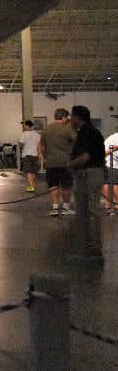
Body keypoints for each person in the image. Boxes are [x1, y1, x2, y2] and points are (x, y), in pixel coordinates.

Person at [66, 105, 105, 264]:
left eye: (72, 117)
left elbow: (85, 156)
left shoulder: (87, 132)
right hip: (87, 174)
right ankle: (87, 245)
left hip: (89, 174)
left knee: (90, 210)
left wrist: (70, 164)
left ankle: (94, 246)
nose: (70, 120)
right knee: (84, 210)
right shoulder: (86, 132)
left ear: (77, 117)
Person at [41, 108, 75, 216]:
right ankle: (65, 208)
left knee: (53, 185)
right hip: (66, 162)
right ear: (64, 117)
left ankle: (55, 208)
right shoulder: (68, 128)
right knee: (66, 185)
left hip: (51, 162)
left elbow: (42, 146)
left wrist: (46, 157)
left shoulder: (47, 129)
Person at [18, 119, 42, 193]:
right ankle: (32, 186)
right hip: (35, 155)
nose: (23, 126)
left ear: (27, 125)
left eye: (24, 125)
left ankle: (31, 187)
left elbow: (21, 144)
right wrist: (40, 154)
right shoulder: (37, 134)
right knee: (34, 171)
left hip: (26, 155)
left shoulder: (24, 134)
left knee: (28, 171)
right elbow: (39, 146)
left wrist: (19, 143)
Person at [103, 130, 118, 213]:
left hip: (106, 162)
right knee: (116, 183)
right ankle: (116, 204)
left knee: (106, 182)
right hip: (112, 163)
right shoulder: (115, 138)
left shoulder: (111, 137)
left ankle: (107, 204)